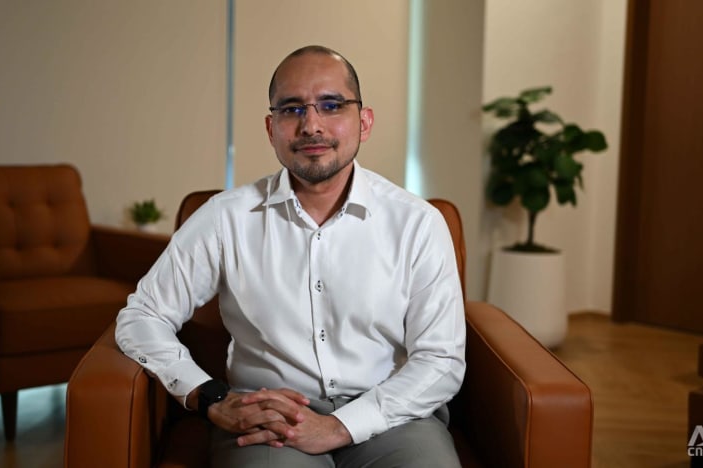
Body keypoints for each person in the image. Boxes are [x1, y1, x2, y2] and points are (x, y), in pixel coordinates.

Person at [116, 45, 466, 467]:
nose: (311, 125)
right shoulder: (225, 218)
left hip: (391, 415)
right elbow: (142, 316)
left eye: (331, 105)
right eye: (292, 109)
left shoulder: (418, 222)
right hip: (269, 418)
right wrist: (209, 395)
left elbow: (440, 359)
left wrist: (339, 426)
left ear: (364, 121)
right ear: (271, 128)